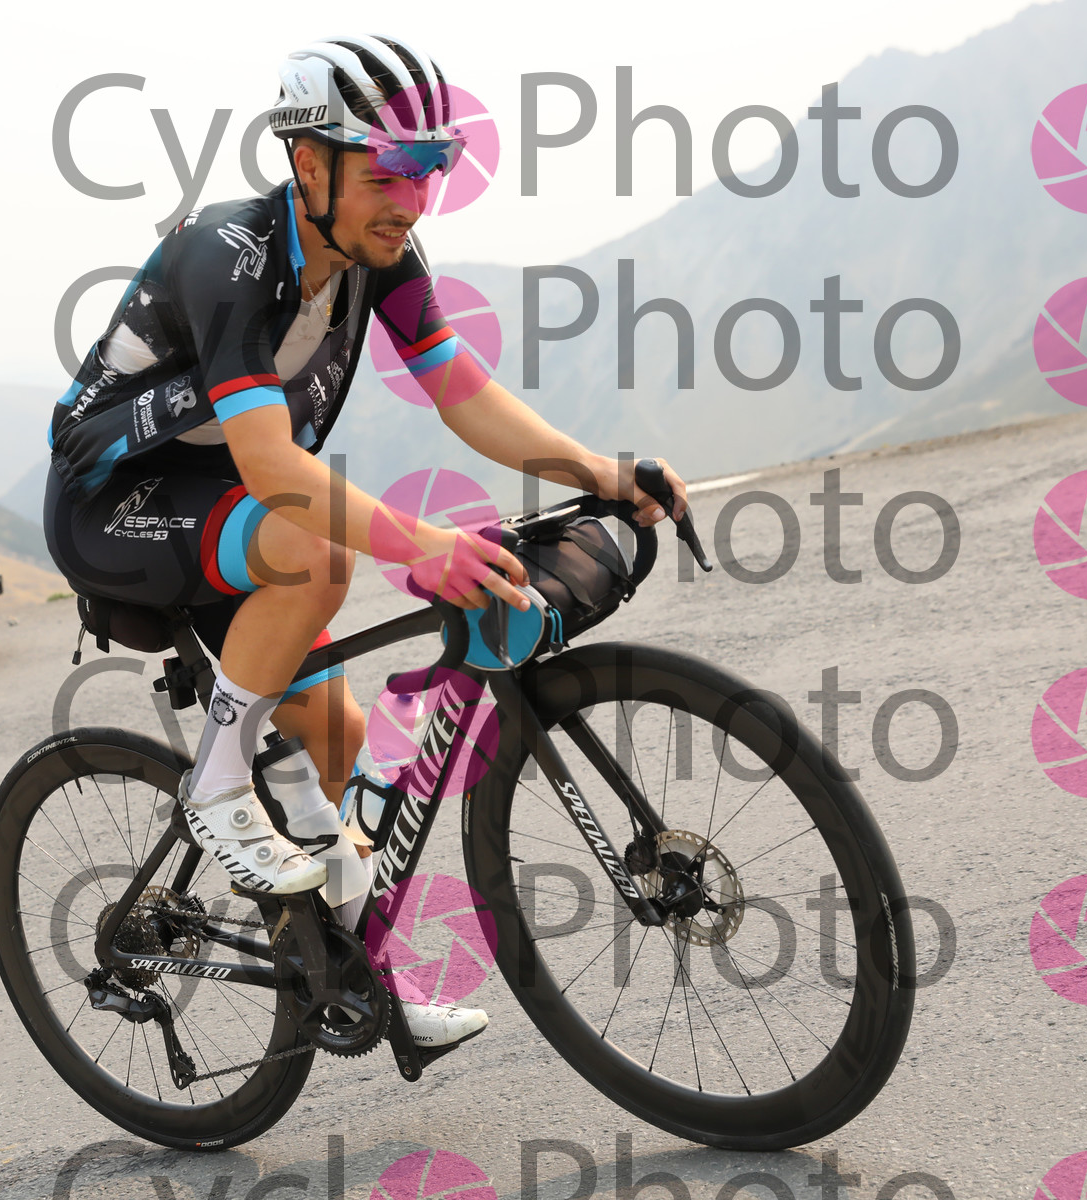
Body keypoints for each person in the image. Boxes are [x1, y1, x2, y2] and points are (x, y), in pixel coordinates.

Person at [43, 34, 689, 1049]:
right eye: (387, 172)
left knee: (339, 741)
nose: (412, 200)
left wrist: (597, 474)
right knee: (317, 552)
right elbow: (273, 469)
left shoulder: (373, 254)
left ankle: (356, 981)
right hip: (114, 505)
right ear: (309, 165)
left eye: (429, 169)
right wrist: (421, 545)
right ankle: (216, 785)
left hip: (224, 511)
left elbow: (462, 393)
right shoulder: (227, 255)